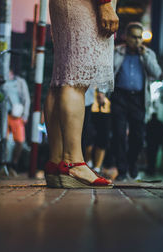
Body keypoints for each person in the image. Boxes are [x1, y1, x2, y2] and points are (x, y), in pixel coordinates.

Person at [43, 0, 118, 188]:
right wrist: (105, 3)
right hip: (86, 5)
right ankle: (73, 162)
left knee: (61, 80)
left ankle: (56, 161)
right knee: (75, 81)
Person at [111, 22, 162, 181]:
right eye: (133, 37)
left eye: (140, 37)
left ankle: (132, 163)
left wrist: (145, 55)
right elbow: (107, 72)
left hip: (138, 99)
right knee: (119, 135)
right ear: (126, 37)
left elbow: (157, 73)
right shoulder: (116, 52)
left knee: (138, 137)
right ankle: (122, 170)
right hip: (119, 97)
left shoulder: (148, 54)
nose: (137, 41)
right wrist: (102, 92)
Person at [5, 70, 31, 176]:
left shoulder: (20, 82)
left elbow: (26, 98)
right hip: (4, 114)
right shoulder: (2, 81)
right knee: (4, 140)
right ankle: (4, 164)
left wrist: (25, 115)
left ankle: (13, 164)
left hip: (16, 115)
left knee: (20, 141)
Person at [84, 87, 112, 173]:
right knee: (88, 136)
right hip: (89, 103)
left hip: (105, 107)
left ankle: (97, 167)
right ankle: (88, 162)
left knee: (103, 138)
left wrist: (102, 92)